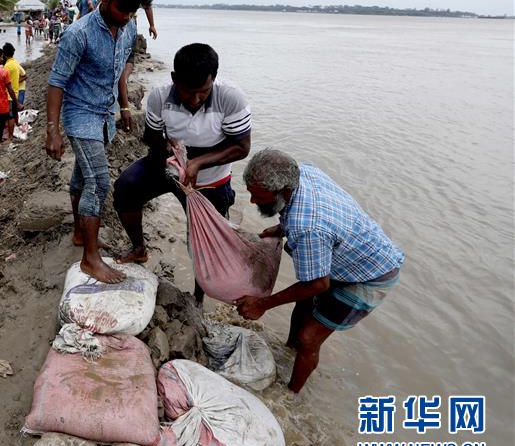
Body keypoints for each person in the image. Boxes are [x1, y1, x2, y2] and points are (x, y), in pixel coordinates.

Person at [236, 149, 405, 393]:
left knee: (309, 338)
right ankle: (288, 351)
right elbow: (301, 212)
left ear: (284, 191)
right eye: (251, 194)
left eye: (259, 197)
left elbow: (317, 284)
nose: (252, 201)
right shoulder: (304, 172)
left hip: (370, 276)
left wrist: (263, 304)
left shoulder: (307, 227)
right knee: (303, 305)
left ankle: (291, 394)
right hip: (345, 253)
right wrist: (281, 227)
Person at [114, 43, 251, 304]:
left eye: (203, 92)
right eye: (188, 92)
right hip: (169, 167)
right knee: (126, 187)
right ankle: (139, 249)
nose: (195, 99)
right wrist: (168, 149)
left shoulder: (231, 98)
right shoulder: (159, 97)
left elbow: (241, 147)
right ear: (175, 79)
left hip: (211, 181)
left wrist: (198, 163)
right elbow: (150, 136)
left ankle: (199, 298)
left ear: (214, 78)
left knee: (205, 242)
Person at [45, 0, 150, 284]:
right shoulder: (78, 33)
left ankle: (80, 233)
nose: (127, 16)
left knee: (82, 176)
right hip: (79, 115)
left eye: (133, 11)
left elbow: (121, 69)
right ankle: (90, 258)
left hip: (104, 115)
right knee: (100, 181)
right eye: (122, 9)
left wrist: (125, 107)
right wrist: (53, 131)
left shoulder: (129, 25)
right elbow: (56, 81)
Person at [2, 42, 27, 141]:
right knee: (14, 113)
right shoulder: (15, 63)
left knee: (10, 116)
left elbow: (4, 82)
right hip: (15, 92)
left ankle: (10, 136)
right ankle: (16, 125)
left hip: (9, 94)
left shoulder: (7, 66)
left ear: (4, 54)